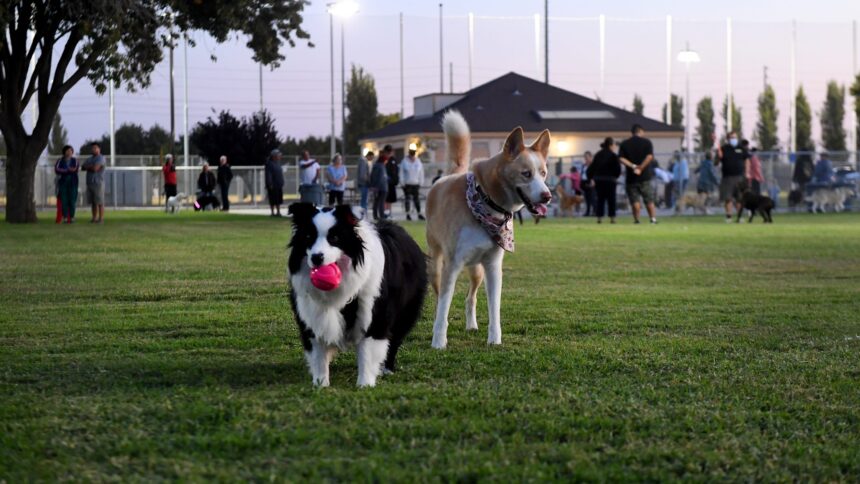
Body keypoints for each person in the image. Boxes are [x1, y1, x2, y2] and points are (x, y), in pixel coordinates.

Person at [619, 124, 658, 224]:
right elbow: (649, 157)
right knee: (649, 200)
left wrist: (633, 166)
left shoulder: (625, 144)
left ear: (632, 132)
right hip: (645, 177)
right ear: (640, 131)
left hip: (631, 178)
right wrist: (641, 167)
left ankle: (637, 220)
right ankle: (653, 219)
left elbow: (621, 158)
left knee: (635, 201)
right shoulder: (647, 142)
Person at [714, 131, 750, 222]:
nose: (733, 139)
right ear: (728, 139)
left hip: (740, 177)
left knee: (739, 198)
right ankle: (729, 216)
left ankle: (739, 216)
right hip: (727, 178)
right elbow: (716, 163)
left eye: (735, 137)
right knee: (728, 198)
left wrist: (747, 173)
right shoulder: (723, 149)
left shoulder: (741, 148)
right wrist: (718, 157)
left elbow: (747, 160)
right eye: (731, 137)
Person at [587, 137, 622, 224]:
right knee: (611, 199)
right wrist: (615, 177)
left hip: (599, 180)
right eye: (614, 145)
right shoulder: (613, 156)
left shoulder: (598, 154)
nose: (614, 146)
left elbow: (591, 168)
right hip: (610, 180)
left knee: (600, 199)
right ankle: (612, 218)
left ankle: (599, 218)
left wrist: (591, 178)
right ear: (610, 145)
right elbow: (618, 169)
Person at [80, 142, 106, 223]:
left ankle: (101, 219)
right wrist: (90, 166)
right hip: (90, 182)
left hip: (98, 183)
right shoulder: (90, 158)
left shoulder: (101, 158)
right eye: (92, 148)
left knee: (100, 202)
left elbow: (95, 169)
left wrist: (89, 166)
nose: (93, 149)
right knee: (93, 202)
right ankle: (94, 218)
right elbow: (83, 167)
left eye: (95, 148)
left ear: (99, 149)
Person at [399, 146, 425, 220]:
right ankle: (408, 214)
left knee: (416, 200)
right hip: (407, 184)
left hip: (416, 183)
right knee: (407, 200)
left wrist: (421, 182)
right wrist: (402, 182)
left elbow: (421, 173)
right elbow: (401, 173)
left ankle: (419, 213)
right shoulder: (404, 161)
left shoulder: (418, 161)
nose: (412, 155)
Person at [54, 145, 79, 224]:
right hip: (63, 183)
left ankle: (72, 217)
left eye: (71, 151)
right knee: (64, 200)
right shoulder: (60, 161)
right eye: (67, 151)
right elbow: (57, 169)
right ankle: (65, 217)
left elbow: (75, 169)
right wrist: (68, 170)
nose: (69, 152)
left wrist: (66, 170)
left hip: (73, 183)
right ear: (64, 152)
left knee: (72, 200)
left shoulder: (75, 160)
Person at [370, 149, 389, 220]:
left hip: (378, 187)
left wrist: (373, 186)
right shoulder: (381, 166)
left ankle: (376, 215)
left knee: (376, 202)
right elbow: (381, 178)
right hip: (382, 187)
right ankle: (382, 216)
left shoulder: (376, 165)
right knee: (381, 202)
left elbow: (373, 176)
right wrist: (376, 187)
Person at [265, 149, 285, 217]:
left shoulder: (278, 163)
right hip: (273, 185)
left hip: (279, 184)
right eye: (278, 155)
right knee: (273, 199)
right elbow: (269, 174)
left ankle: (278, 212)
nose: (280, 156)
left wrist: (282, 182)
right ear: (274, 156)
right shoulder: (269, 164)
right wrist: (270, 183)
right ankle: (273, 212)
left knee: (278, 200)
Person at [384, 145, 399, 216]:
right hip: (385, 182)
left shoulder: (393, 160)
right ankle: (385, 212)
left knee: (389, 199)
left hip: (391, 182)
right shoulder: (384, 160)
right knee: (385, 199)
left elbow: (396, 171)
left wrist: (395, 180)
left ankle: (389, 212)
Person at [581, 151, 595, 215]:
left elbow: (594, 174)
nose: (585, 159)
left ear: (590, 157)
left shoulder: (593, 165)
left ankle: (594, 212)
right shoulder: (584, 165)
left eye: (587, 157)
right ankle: (588, 212)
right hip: (584, 183)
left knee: (592, 198)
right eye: (585, 157)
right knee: (587, 199)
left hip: (591, 182)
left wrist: (593, 180)